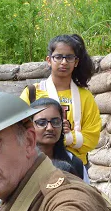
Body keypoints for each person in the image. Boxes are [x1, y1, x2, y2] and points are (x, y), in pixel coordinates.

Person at [20, 34, 101, 165]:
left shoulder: (85, 97)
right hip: (37, 164)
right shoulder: (32, 93)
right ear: (48, 60)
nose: (63, 62)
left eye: (69, 57)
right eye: (58, 57)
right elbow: (20, 131)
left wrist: (67, 137)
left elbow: (92, 137)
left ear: (76, 62)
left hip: (75, 166)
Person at [30, 97, 86, 180]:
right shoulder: (21, 162)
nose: (49, 128)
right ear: (30, 126)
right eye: (42, 123)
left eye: (55, 122)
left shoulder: (75, 163)